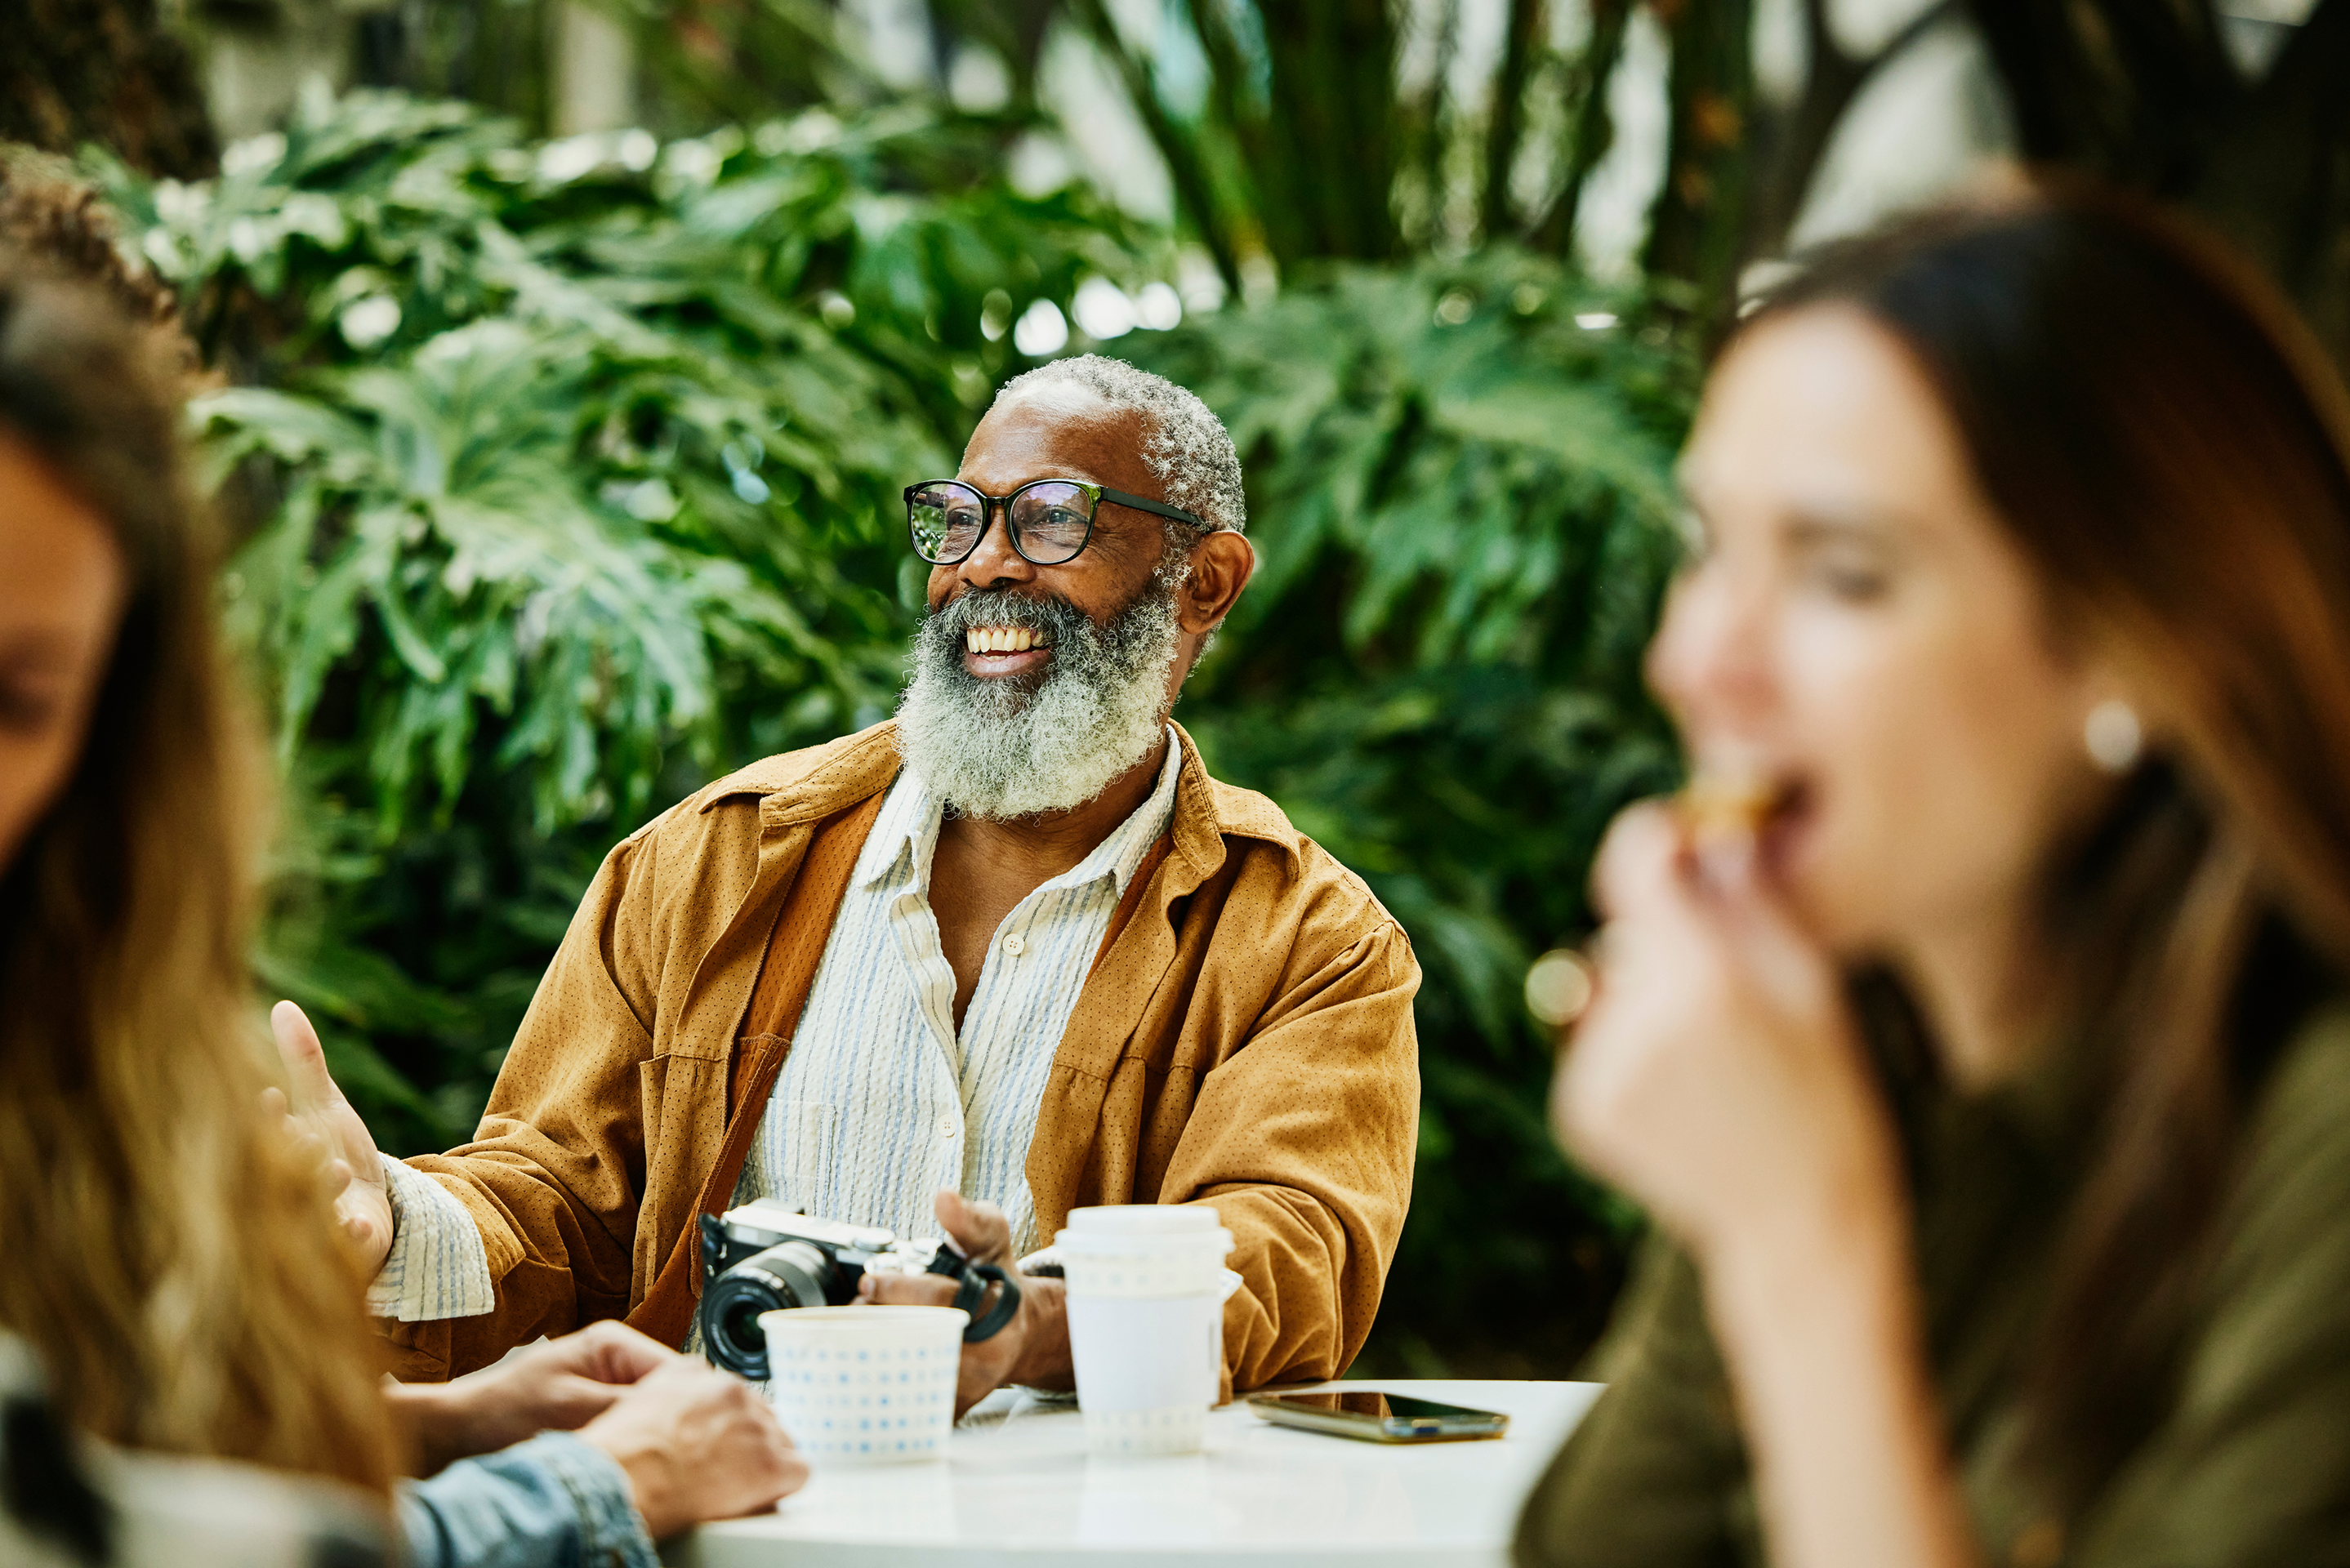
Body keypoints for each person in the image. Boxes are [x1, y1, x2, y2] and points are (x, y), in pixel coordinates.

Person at [286, 353, 1422, 1406]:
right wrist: (385, 1220)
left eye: (1052, 521)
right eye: (961, 520)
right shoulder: (706, 865)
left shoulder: (1309, 942)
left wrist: (1023, 1327)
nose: (982, 566)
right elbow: (554, 1207)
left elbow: (1286, 1253)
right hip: (717, 1523)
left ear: (1206, 580)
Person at [1517, 185, 2350, 1566]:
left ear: (2133, 646)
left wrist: (1802, 1250)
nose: (1697, 660)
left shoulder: (2318, 1153)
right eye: (1708, 549)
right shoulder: (1848, 1051)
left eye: (1842, 575)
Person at [0, 177, 802, 1566]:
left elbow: (73, 1462)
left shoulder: (76, 975)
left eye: (28, 693)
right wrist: (593, 1491)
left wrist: (420, 1418)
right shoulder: (710, 860)